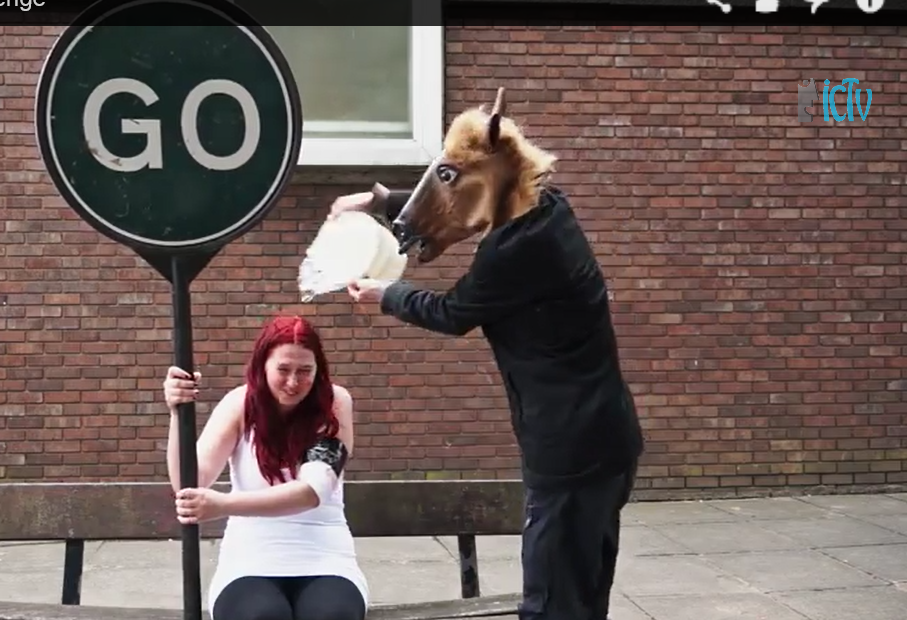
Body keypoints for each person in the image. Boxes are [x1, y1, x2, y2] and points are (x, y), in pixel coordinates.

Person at [330, 184, 644, 620]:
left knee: (552, 601)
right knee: (585, 587)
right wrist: (381, 200)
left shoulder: (513, 251)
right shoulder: (546, 205)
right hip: (609, 437)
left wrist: (387, 293)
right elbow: (465, 194)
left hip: (568, 451)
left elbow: (453, 312)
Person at [163, 314, 369, 620]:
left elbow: (312, 492)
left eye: (305, 371)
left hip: (325, 557)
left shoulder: (334, 404)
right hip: (249, 559)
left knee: (330, 615)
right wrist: (177, 413)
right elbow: (188, 483)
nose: (293, 382)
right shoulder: (240, 404)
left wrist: (224, 505)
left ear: (319, 369)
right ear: (262, 366)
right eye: (283, 369)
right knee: (262, 616)